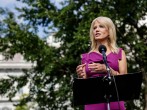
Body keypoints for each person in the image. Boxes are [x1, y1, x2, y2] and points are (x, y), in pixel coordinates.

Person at [76, 16, 127, 110]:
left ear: (109, 31)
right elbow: (84, 85)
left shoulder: (119, 53)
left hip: (115, 101)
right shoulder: (86, 57)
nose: (97, 30)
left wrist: (107, 70)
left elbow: (125, 81)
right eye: (94, 28)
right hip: (93, 102)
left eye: (101, 26)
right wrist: (81, 76)